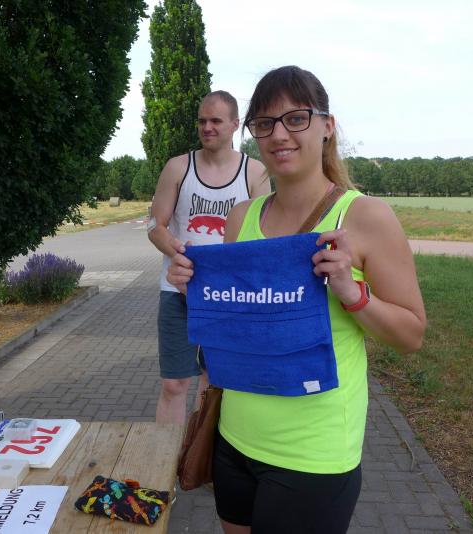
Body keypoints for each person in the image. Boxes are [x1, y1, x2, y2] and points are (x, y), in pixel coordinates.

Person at [168, 66, 426, 533]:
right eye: (265, 123)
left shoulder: (364, 216)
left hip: (313, 453)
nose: (279, 134)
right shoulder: (241, 218)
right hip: (233, 439)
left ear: (327, 126)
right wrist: (197, 289)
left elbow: (411, 335)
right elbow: (238, 324)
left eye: (296, 118)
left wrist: (352, 293)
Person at [149, 90, 270, 424]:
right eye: (202, 121)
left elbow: (262, 237)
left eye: (216, 121)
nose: (207, 127)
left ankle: (200, 453)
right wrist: (180, 252)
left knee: (213, 382)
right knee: (174, 384)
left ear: (234, 124)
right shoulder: (178, 167)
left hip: (228, 296)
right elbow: (155, 226)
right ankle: (167, 456)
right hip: (178, 291)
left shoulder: (255, 172)